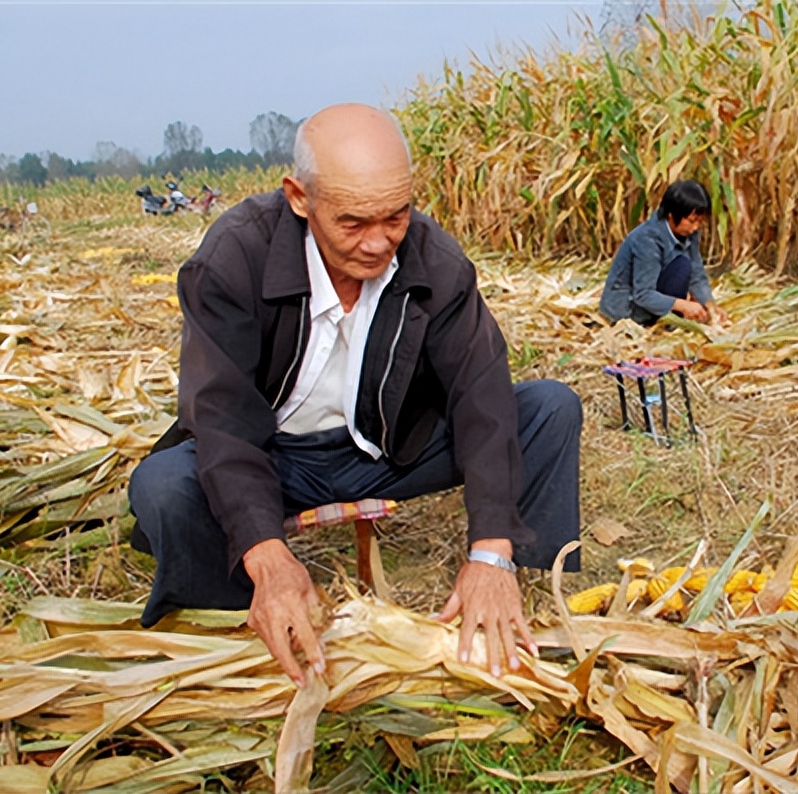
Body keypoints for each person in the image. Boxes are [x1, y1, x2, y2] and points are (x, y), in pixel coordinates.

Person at [128, 103, 581, 687]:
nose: (378, 243)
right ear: (299, 197)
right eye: (353, 223)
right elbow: (222, 419)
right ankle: (247, 614)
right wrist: (266, 552)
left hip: (387, 449)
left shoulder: (433, 260)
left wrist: (490, 550)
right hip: (276, 461)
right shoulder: (235, 258)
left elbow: (480, 391)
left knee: (547, 408)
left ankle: (528, 597)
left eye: (396, 216)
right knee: (164, 484)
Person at [598, 179, 729, 326]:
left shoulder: (689, 234)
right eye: (692, 221)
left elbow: (697, 276)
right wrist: (683, 305)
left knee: (683, 267)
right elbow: (643, 294)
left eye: (700, 222)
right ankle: (663, 322)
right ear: (671, 215)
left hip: (650, 299)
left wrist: (710, 306)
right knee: (682, 266)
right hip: (626, 310)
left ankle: (669, 320)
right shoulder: (647, 240)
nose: (695, 228)